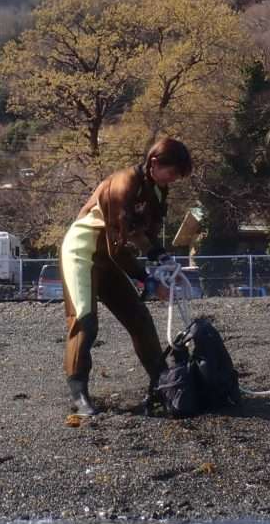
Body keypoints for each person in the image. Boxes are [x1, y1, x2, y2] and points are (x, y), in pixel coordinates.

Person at [60, 138, 192, 416]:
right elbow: (117, 248)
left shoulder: (158, 190)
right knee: (85, 322)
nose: (174, 180)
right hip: (82, 252)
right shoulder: (122, 184)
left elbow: (143, 236)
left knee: (139, 317)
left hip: (109, 258)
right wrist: (149, 281)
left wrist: (163, 260)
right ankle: (79, 395)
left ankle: (161, 382)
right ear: (154, 163)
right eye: (172, 173)